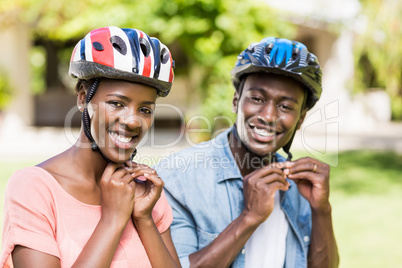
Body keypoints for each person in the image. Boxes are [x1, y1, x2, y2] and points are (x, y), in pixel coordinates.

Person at [0, 26, 180, 268]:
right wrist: (113, 219)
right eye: (117, 103)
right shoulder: (35, 188)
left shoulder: (147, 192)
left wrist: (144, 218)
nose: (133, 120)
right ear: (83, 97)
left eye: (145, 109)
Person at [155, 37, 339, 267]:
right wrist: (249, 217)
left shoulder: (297, 185)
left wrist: (322, 210)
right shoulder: (178, 179)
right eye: (257, 98)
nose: (268, 116)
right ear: (236, 101)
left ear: (301, 118)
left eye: (285, 106)